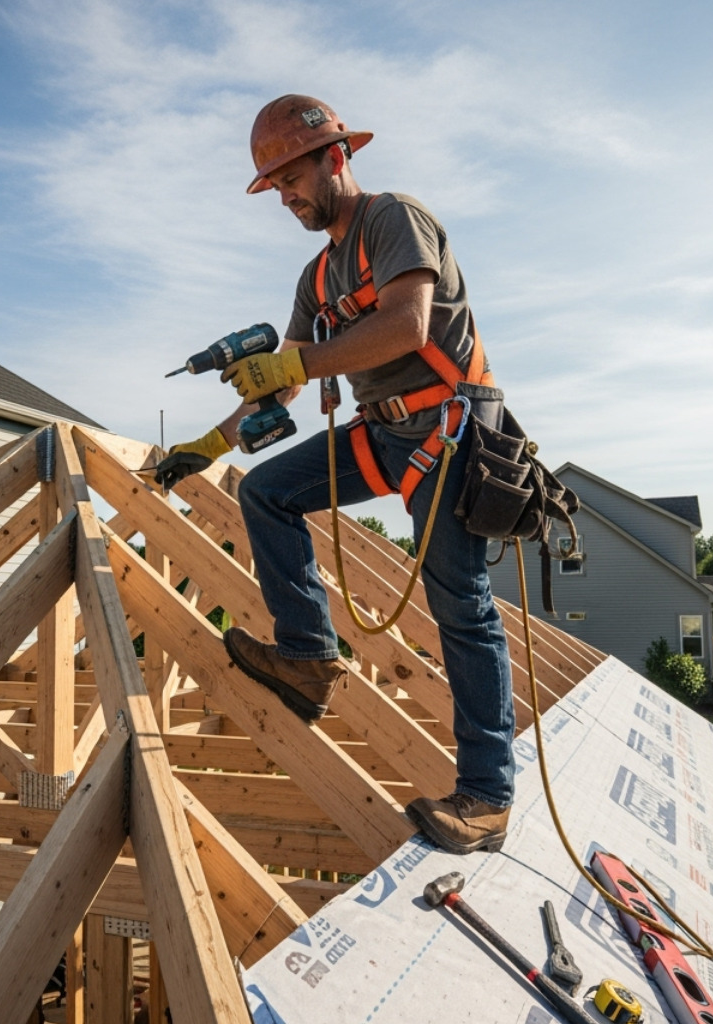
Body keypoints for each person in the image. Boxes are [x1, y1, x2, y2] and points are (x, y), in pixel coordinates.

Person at [155, 95, 514, 854]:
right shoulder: (315, 279)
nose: (285, 198)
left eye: (292, 179)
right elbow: (281, 384)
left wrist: (297, 361)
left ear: (335, 157)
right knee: (266, 492)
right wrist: (210, 445)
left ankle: (488, 795)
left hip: (450, 428)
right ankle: (310, 656)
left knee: (461, 607)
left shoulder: (393, 219)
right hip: (384, 433)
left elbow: (407, 324)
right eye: (275, 187)